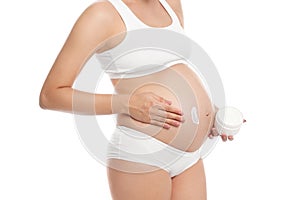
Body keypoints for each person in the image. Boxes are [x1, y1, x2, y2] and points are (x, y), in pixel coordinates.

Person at [40, 0, 239, 199]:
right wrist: (127, 103)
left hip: (190, 158)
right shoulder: (102, 14)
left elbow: (171, 68)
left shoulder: (170, 3)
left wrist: (208, 113)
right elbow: (50, 95)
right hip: (143, 154)